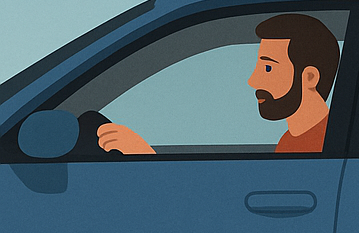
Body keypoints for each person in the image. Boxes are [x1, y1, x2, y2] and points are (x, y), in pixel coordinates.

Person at [96, 13, 339, 155]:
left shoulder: (322, 145)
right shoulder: (293, 141)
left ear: (309, 77)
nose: (253, 79)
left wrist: (146, 159)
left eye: (268, 67)